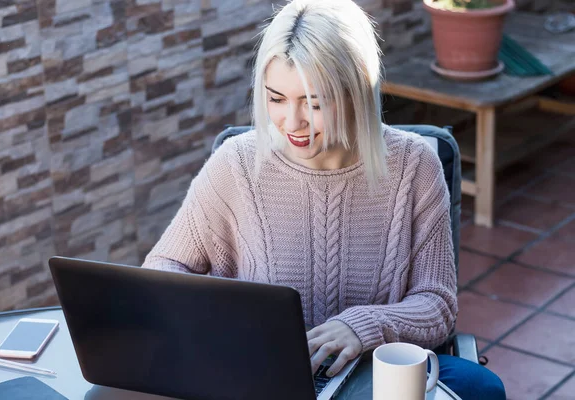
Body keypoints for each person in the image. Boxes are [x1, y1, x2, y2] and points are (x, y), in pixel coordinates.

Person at [142, 0, 506, 399]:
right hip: (260, 375)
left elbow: (436, 304)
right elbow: (164, 267)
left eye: (314, 103)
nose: (292, 122)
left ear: (357, 91)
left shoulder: (414, 165)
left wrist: (364, 326)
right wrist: (218, 319)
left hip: (372, 374)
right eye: (276, 98)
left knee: (482, 388)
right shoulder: (237, 164)